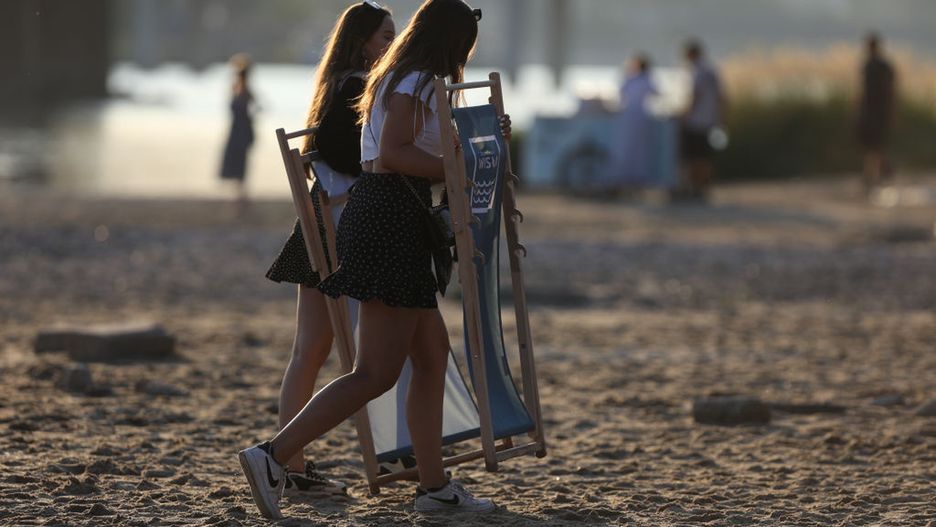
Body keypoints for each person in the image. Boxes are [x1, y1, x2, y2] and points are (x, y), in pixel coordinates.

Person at [239, 0, 504, 519]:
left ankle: (434, 488)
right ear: (451, 41)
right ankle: (273, 456)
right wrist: (458, 170)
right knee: (374, 373)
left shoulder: (399, 76)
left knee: (431, 358)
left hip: (388, 214)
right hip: (391, 218)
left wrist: (480, 146)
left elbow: (415, 146)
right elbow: (394, 154)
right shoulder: (416, 79)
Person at [263, 1, 395, 497]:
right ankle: (292, 465)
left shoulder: (336, 83)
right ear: (362, 42)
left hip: (318, 223)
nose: (392, 45)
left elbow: (327, 155)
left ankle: (291, 466)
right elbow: (351, 157)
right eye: (385, 37)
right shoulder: (358, 87)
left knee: (309, 351)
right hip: (340, 229)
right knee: (350, 354)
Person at [677, 38, 725, 201]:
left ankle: (694, 187)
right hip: (709, 120)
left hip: (696, 121)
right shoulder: (711, 71)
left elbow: (695, 96)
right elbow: (721, 97)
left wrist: (685, 115)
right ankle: (703, 187)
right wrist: (720, 117)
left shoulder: (696, 72)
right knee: (704, 156)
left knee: (693, 156)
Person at [857, 31, 896, 196]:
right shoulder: (869, 65)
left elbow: (890, 91)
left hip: (878, 111)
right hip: (870, 111)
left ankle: (874, 174)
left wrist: (891, 111)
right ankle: (880, 171)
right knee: (872, 144)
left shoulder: (882, 66)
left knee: (875, 143)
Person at [612, 52, 658, 188]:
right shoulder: (634, 79)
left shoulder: (641, 80)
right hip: (634, 117)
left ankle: (634, 177)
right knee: (631, 147)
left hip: (634, 117)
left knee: (634, 148)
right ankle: (628, 177)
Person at [219, 53, 256, 211]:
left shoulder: (244, 90)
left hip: (241, 131)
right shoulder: (240, 89)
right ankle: (240, 196)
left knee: (239, 163)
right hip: (239, 130)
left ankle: (241, 197)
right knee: (237, 163)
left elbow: (253, 108)